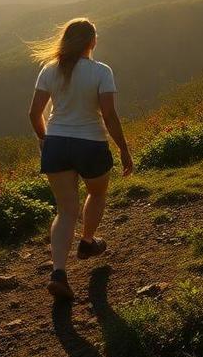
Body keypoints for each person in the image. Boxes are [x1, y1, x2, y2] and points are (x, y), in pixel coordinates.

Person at [27, 18, 133, 301]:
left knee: (65, 210)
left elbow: (34, 113)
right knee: (96, 193)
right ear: (92, 42)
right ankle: (87, 241)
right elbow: (109, 115)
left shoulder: (49, 70)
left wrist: (44, 139)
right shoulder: (101, 71)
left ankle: (59, 273)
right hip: (91, 144)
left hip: (57, 144)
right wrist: (123, 148)